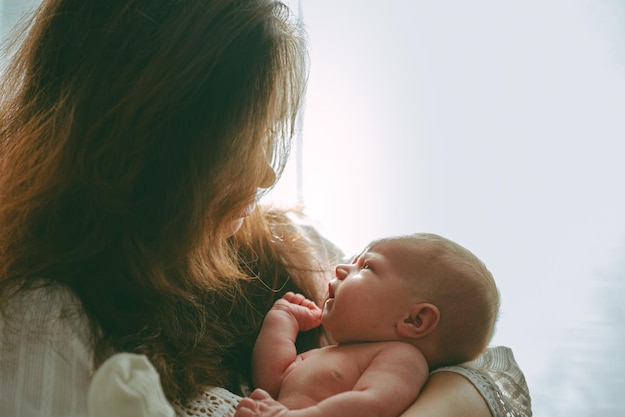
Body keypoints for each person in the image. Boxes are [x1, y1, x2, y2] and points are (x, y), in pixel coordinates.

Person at [0, 1, 531, 416]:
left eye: (269, 134)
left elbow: (488, 366)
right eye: (242, 140)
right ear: (154, 146)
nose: (266, 174)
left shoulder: (284, 244)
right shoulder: (43, 322)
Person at [235, 233, 501, 417]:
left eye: (366, 266)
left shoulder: (402, 359)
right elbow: (272, 381)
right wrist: (281, 320)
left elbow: (370, 406)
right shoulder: (331, 353)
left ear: (414, 320)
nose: (341, 268)